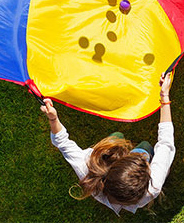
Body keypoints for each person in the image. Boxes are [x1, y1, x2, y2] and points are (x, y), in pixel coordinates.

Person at [41, 73, 176, 215]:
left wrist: (53, 119)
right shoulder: (153, 186)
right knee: (145, 147)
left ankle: (120, 143)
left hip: (105, 159)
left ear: (117, 163)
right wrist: (164, 96)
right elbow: (165, 143)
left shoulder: (87, 169)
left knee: (117, 137)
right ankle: (142, 151)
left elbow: (62, 142)